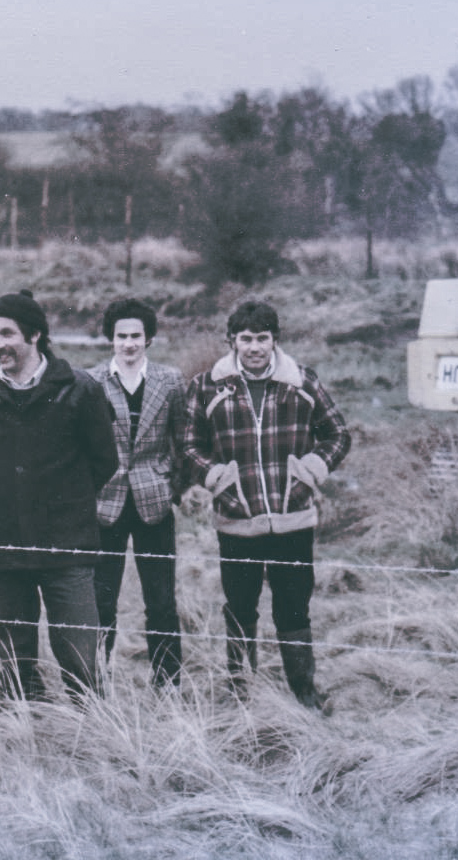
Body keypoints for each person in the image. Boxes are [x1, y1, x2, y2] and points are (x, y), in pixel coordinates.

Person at [183, 300, 351, 710]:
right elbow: (188, 445)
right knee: (240, 609)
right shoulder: (207, 386)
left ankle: (304, 691)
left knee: (294, 608)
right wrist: (215, 477)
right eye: (245, 338)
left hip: (293, 520)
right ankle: (241, 691)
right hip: (236, 520)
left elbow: (339, 434)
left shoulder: (302, 382)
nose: (254, 347)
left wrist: (312, 468)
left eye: (262, 338)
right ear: (232, 341)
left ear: (275, 339)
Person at [0, 290, 118, 700]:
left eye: (6, 334)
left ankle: (93, 736)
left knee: (80, 656)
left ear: (34, 334)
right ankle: (27, 733)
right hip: (1, 549)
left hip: (66, 547)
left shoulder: (80, 389)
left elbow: (104, 461)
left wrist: (61, 502)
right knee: (14, 660)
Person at [86, 298, 187, 688]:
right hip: (105, 506)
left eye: (136, 337)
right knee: (101, 601)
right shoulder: (92, 382)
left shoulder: (170, 381)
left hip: (154, 504)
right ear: (110, 339)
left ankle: (167, 682)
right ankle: (95, 680)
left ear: (149, 339)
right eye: (121, 336)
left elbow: (184, 439)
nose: (129, 344)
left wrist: (171, 486)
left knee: (161, 600)